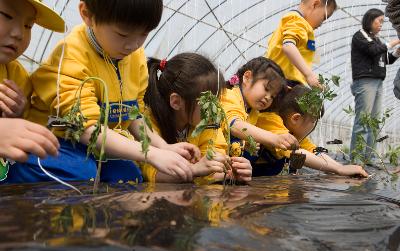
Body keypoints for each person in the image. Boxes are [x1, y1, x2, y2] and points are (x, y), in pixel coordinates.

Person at [8, 0, 198, 184]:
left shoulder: (134, 56)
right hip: (56, 140)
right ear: (87, 14)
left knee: (129, 175)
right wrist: (151, 153)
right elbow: (86, 129)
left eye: (144, 34)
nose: (133, 45)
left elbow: (133, 113)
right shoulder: (71, 57)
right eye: (122, 35)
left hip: (98, 145)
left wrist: (162, 146)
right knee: (82, 174)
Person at [141, 53, 252, 184]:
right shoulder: (148, 123)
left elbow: (210, 164)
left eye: (216, 101)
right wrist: (194, 170)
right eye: (207, 103)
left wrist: (231, 173)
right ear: (176, 102)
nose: (215, 109)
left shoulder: (206, 123)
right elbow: (152, 174)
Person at [0, 0, 63, 180]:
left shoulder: (16, 75)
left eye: (28, 25)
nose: (19, 33)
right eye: (6, 16)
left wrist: (16, 115)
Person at [253, 85, 368, 177]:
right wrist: (338, 169)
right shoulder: (269, 121)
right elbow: (297, 154)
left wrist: (340, 168)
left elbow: (314, 151)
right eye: (313, 121)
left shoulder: (293, 133)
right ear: (296, 118)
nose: (313, 127)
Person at [220, 57, 299, 160]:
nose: (268, 97)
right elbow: (234, 125)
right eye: (267, 89)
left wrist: (247, 145)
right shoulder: (229, 95)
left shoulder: (253, 113)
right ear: (247, 77)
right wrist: (274, 138)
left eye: (272, 96)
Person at [350, 8, 400, 164]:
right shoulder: (360, 36)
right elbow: (373, 51)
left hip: (378, 82)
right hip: (365, 82)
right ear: (369, 20)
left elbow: (384, 60)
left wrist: (397, 53)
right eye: (379, 21)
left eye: (383, 22)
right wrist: (395, 41)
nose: (381, 25)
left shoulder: (377, 40)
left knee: (374, 122)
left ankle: (369, 157)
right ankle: (356, 158)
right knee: (363, 121)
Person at [265, 0, 337, 88]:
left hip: (280, 79)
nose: (321, 23)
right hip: (283, 81)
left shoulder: (298, 24)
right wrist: (309, 75)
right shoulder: (297, 21)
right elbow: (288, 46)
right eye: (323, 17)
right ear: (315, 4)